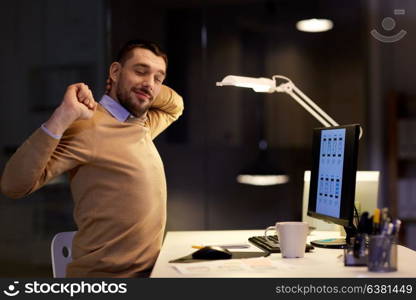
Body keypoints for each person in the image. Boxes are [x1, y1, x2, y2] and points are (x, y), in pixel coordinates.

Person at [0, 39, 184, 277]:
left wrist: (143, 86)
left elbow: (175, 105)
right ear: (115, 71)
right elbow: (13, 185)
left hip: (149, 273)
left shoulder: (143, 124)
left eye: (159, 77)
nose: (150, 82)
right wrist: (63, 115)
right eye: (140, 71)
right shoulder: (86, 126)